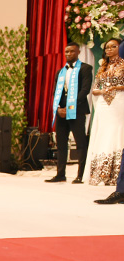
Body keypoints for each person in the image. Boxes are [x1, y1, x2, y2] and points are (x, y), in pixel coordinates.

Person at [45, 42, 93, 184]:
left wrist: (71, 107)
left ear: (78, 52)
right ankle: (60, 174)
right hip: (61, 112)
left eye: (72, 51)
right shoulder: (60, 72)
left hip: (77, 111)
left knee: (80, 143)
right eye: (66, 52)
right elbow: (56, 92)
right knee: (61, 143)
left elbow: (85, 90)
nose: (68, 54)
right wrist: (59, 108)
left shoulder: (85, 68)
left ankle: (81, 175)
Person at [83, 38, 124, 185]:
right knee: (103, 133)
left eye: (114, 46)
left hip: (119, 102)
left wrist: (115, 88)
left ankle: (116, 174)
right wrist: (101, 91)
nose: (109, 49)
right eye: (107, 47)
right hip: (103, 104)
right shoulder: (103, 67)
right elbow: (95, 89)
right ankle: (100, 173)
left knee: (117, 132)